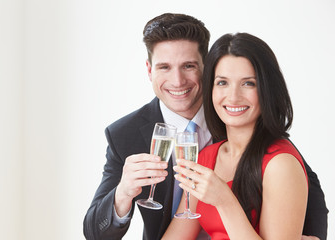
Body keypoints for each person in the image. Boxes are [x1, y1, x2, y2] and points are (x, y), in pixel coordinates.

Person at [83, 13, 328, 240]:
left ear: (204, 69)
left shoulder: (265, 146)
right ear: (149, 70)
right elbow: (95, 232)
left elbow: (308, 192)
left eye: (188, 66)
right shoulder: (197, 155)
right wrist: (123, 193)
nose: (177, 80)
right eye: (165, 67)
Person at [162, 32, 327, 240]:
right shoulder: (207, 157)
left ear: (267, 90)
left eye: (248, 83)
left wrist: (224, 200)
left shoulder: (280, 164)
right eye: (222, 83)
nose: (233, 97)